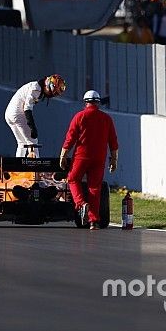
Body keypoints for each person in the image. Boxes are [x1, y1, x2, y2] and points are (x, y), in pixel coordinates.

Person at [58, 90, 119, 230]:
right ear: (98, 102)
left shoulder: (79, 116)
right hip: (99, 158)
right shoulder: (106, 118)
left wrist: (63, 155)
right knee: (94, 187)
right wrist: (114, 160)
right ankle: (94, 221)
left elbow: (70, 138)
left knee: (73, 178)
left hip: (81, 156)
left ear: (85, 102)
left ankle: (80, 204)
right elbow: (113, 141)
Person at [5, 74, 67, 158]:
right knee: (33, 142)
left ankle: (18, 168)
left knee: (22, 143)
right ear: (49, 86)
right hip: (17, 113)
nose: (51, 95)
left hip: (9, 113)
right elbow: (27, 108)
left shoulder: (37, 87)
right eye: (53, 93)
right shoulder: (36, 88)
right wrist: (32, 127)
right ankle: (35, 168)